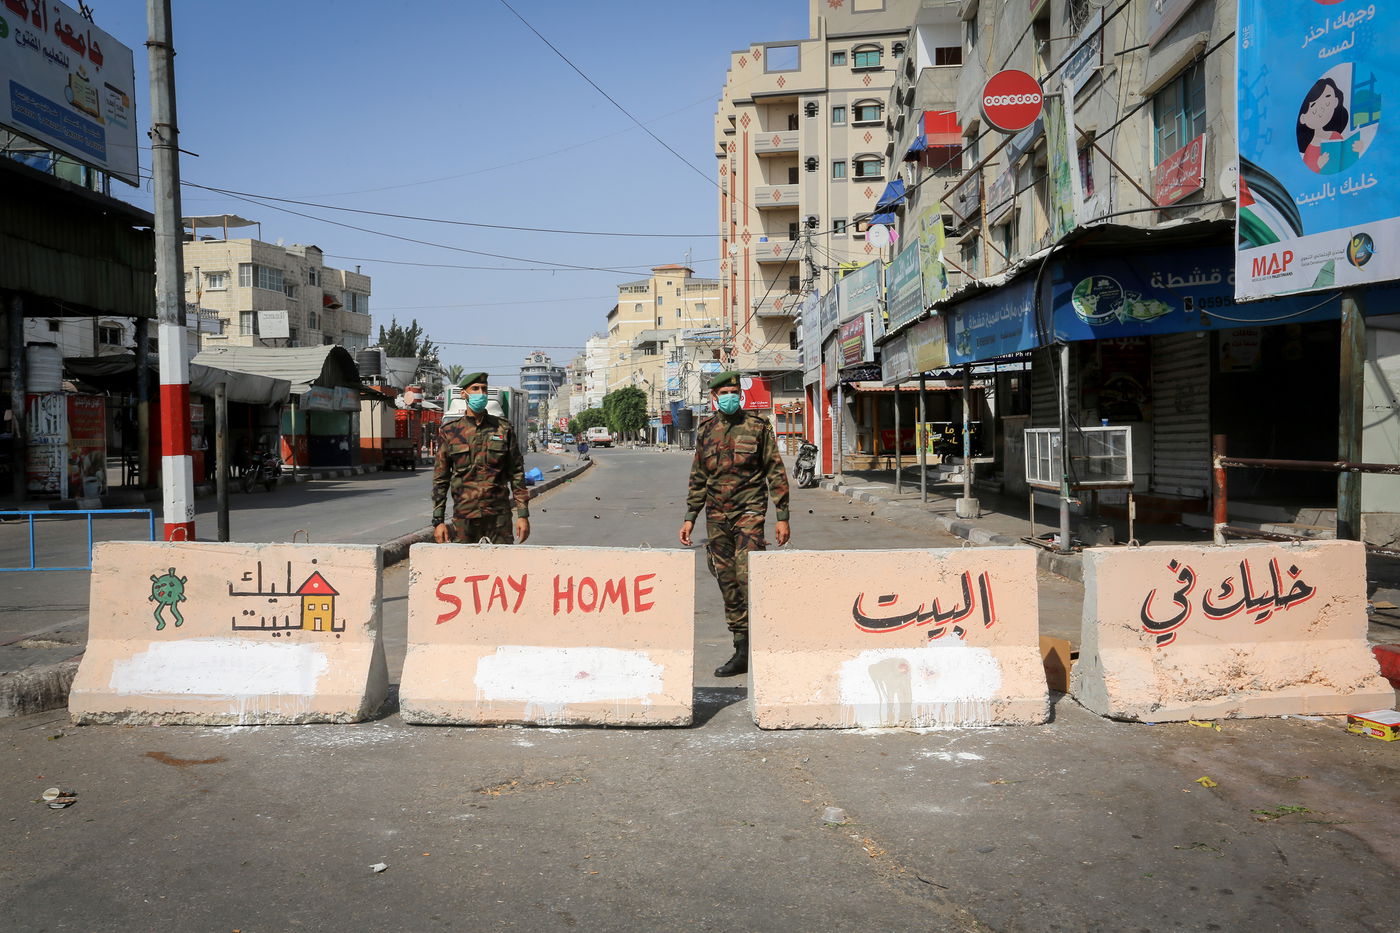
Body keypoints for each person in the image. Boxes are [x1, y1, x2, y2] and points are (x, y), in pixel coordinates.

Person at [678, 371, 790, 677]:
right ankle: (741, 648)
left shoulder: (757, 427)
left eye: (734, 391)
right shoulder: (706, 430)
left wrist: (782, 517)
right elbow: (698, 477)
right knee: (727, 581)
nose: (730, 396)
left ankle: (764, 644)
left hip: (750, 511)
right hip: (716, 515)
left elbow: (775, 472)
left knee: (748, 576)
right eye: (724, 392)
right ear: (715, 397)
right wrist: (690, 517)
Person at [431, 373, 530, 545]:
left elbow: (517, 474)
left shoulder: (502, 429)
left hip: (499, 517)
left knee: (502, 567)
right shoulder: (450, 432)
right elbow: (441, 479)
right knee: (465, 568)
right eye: (475, 389)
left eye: (484, 389)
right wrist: (438, 521)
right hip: (464, 517)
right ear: (463, 394)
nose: (481, 393)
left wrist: (523, 515)